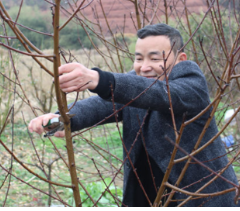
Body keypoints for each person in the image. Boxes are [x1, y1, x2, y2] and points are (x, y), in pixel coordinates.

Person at [28, 24, 240, 207]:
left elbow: (161, 95)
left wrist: (100, 79)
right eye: (138, 58)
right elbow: (99, 106)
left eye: (155, 58)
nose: (144, 66)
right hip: (146, 198)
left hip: (203, 199)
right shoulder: (132, 86)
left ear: (180, 59)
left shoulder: (192, 84)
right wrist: (60, 121)